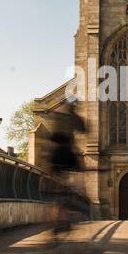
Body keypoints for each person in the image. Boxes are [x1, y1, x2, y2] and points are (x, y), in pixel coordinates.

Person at [43, 100, 85, 238]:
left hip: (55, 155)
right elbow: (85, 130)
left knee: (54, 186)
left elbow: (50, 136)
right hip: (68, 154)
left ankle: (53, 219)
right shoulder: (74, 118)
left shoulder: (57, 115)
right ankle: (70, 207)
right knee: (78, 178)